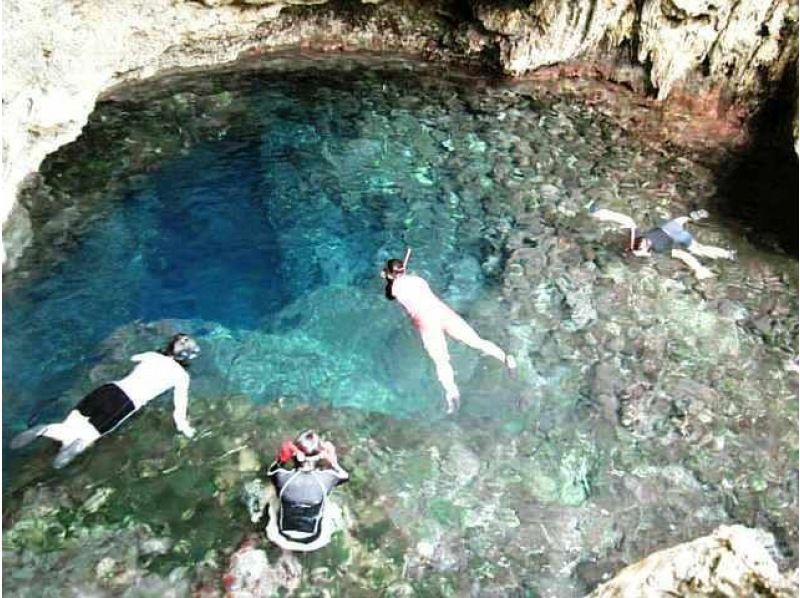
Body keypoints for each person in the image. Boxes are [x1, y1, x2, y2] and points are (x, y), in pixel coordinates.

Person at [11, 333, 200, 469]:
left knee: (70, 424)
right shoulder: (182, 377)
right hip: (126, 403)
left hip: (109, 389)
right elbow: (179, 410)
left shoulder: (152, 356)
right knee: (87, 437)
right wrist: (187, 430)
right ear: (189, 359)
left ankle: (45, 429)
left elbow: (134, 358)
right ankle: (73, 448)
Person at [381, 252, 516, 413]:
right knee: (476, 341)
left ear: (390, 274)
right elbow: (408, 283)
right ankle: (505, 358)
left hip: (426, 322)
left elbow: (389, 294)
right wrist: (394, 276)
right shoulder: (419, 280)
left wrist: (387, 279)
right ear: (403, 270)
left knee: (441, 360)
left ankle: (452, 392)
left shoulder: (394, 287)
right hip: (443, 312)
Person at [590, 207, 736, 279]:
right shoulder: (644, 240)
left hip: (677, 234)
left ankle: (727, 254)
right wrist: (698, 268)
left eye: (640, 247)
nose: (642, 245)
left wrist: (603, 214)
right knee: (685, 227)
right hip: (672, 229)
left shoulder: (650, 245)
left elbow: (627, 220)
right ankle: (727, 253)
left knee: (699, 249)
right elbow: (627, 220)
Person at [265, 430, 348, 551]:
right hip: (315, 540)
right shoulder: (328, 479)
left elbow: (270, 472)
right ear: (320, 456)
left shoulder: (281, 477)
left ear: (293, 455)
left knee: (275, 496)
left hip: (280, 536)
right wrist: (332, 460)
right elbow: (345, 476)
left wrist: (281, 460)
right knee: (331, 505)